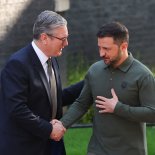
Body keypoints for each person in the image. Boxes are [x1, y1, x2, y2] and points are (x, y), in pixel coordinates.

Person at [54, 22, 155, 155]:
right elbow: (81, 104)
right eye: (100, 48)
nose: (101, 53)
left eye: (107, 49)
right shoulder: (95, 71)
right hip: (97, 151)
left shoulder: (143, 75)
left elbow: (152, 113)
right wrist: (62, 124)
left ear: (123, 46)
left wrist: (118, 108)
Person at [0, 10, 83, 155]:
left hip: (51, 146)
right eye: (62, 39)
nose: (66, 43)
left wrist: (89, 82)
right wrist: (49, 129)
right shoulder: (18, 64)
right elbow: (17, 109)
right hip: (25, 147)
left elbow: (52, 100)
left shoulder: (52, 59)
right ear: (44, 38)